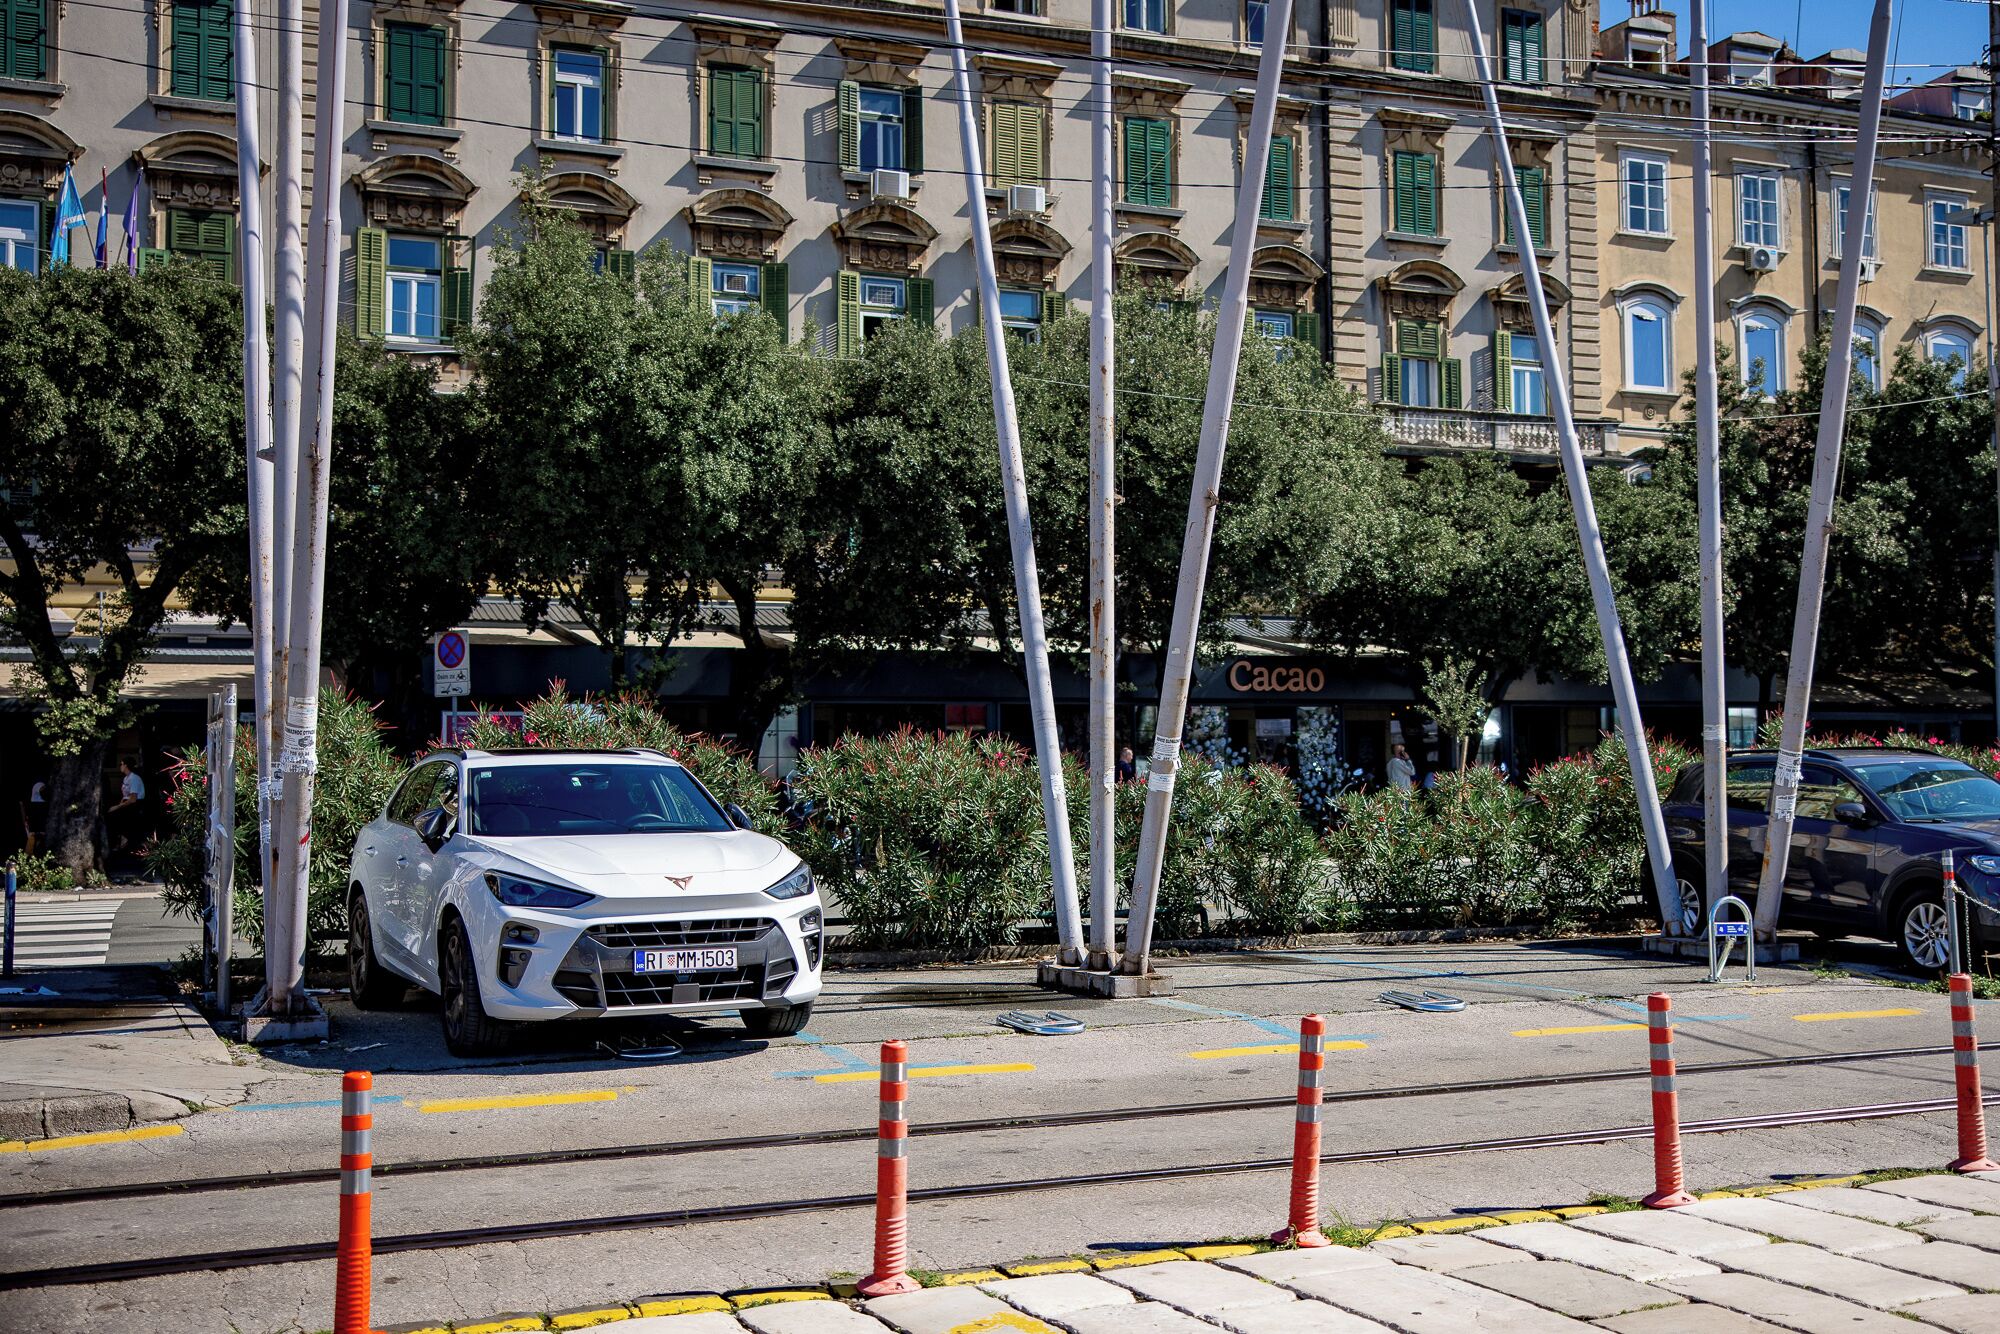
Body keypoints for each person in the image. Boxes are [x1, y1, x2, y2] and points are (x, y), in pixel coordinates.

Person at [109, 757, 146, 855]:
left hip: (135, 804)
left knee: (115, 815)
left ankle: (124, 839)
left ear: (126, 765)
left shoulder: (134, 778)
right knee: (110, 813)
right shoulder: (126, 778)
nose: (120, 766)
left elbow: (133, 799)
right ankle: (119, 839)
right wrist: (118, 805)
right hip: (126, 802)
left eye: (121, 764)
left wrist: (118, 807)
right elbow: (125, 796)